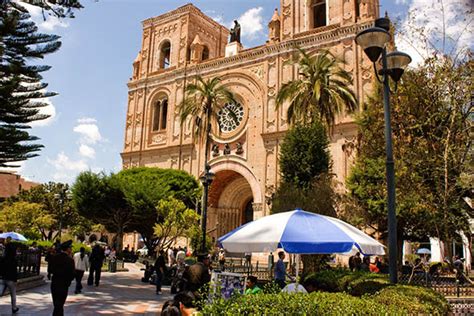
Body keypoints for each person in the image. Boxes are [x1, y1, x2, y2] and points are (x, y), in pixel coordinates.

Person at [49, 240, 75, 316]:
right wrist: (68, 281)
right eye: (70, 248)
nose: (71, 249)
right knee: (60, 304)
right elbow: (72, 274)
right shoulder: (70, 260)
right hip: (64, 284)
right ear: (67, 249)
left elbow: (50, 269)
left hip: (54, 283)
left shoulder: (54, 257)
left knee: (57, 304)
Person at [0, 243, 19, 314]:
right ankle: (14, 307)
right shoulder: (14, 260)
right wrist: (16, 280)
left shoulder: (2, 258)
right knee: (13, 294)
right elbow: (14, 271)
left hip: (2, 278)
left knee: (0, 292)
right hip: (11, 279)